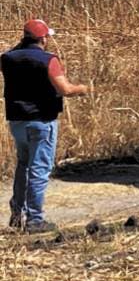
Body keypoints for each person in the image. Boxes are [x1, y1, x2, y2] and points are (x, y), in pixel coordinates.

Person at [2, 20, 90, 233]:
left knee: (23, 165)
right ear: (43, 38)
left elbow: (13, 55)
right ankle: (35, 220)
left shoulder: (7, 58)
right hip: (41, 121)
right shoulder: (48, 60)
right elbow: (64, 89)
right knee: (39, 170)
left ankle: (17, 214)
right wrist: (84, 88)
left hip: (17, 122)